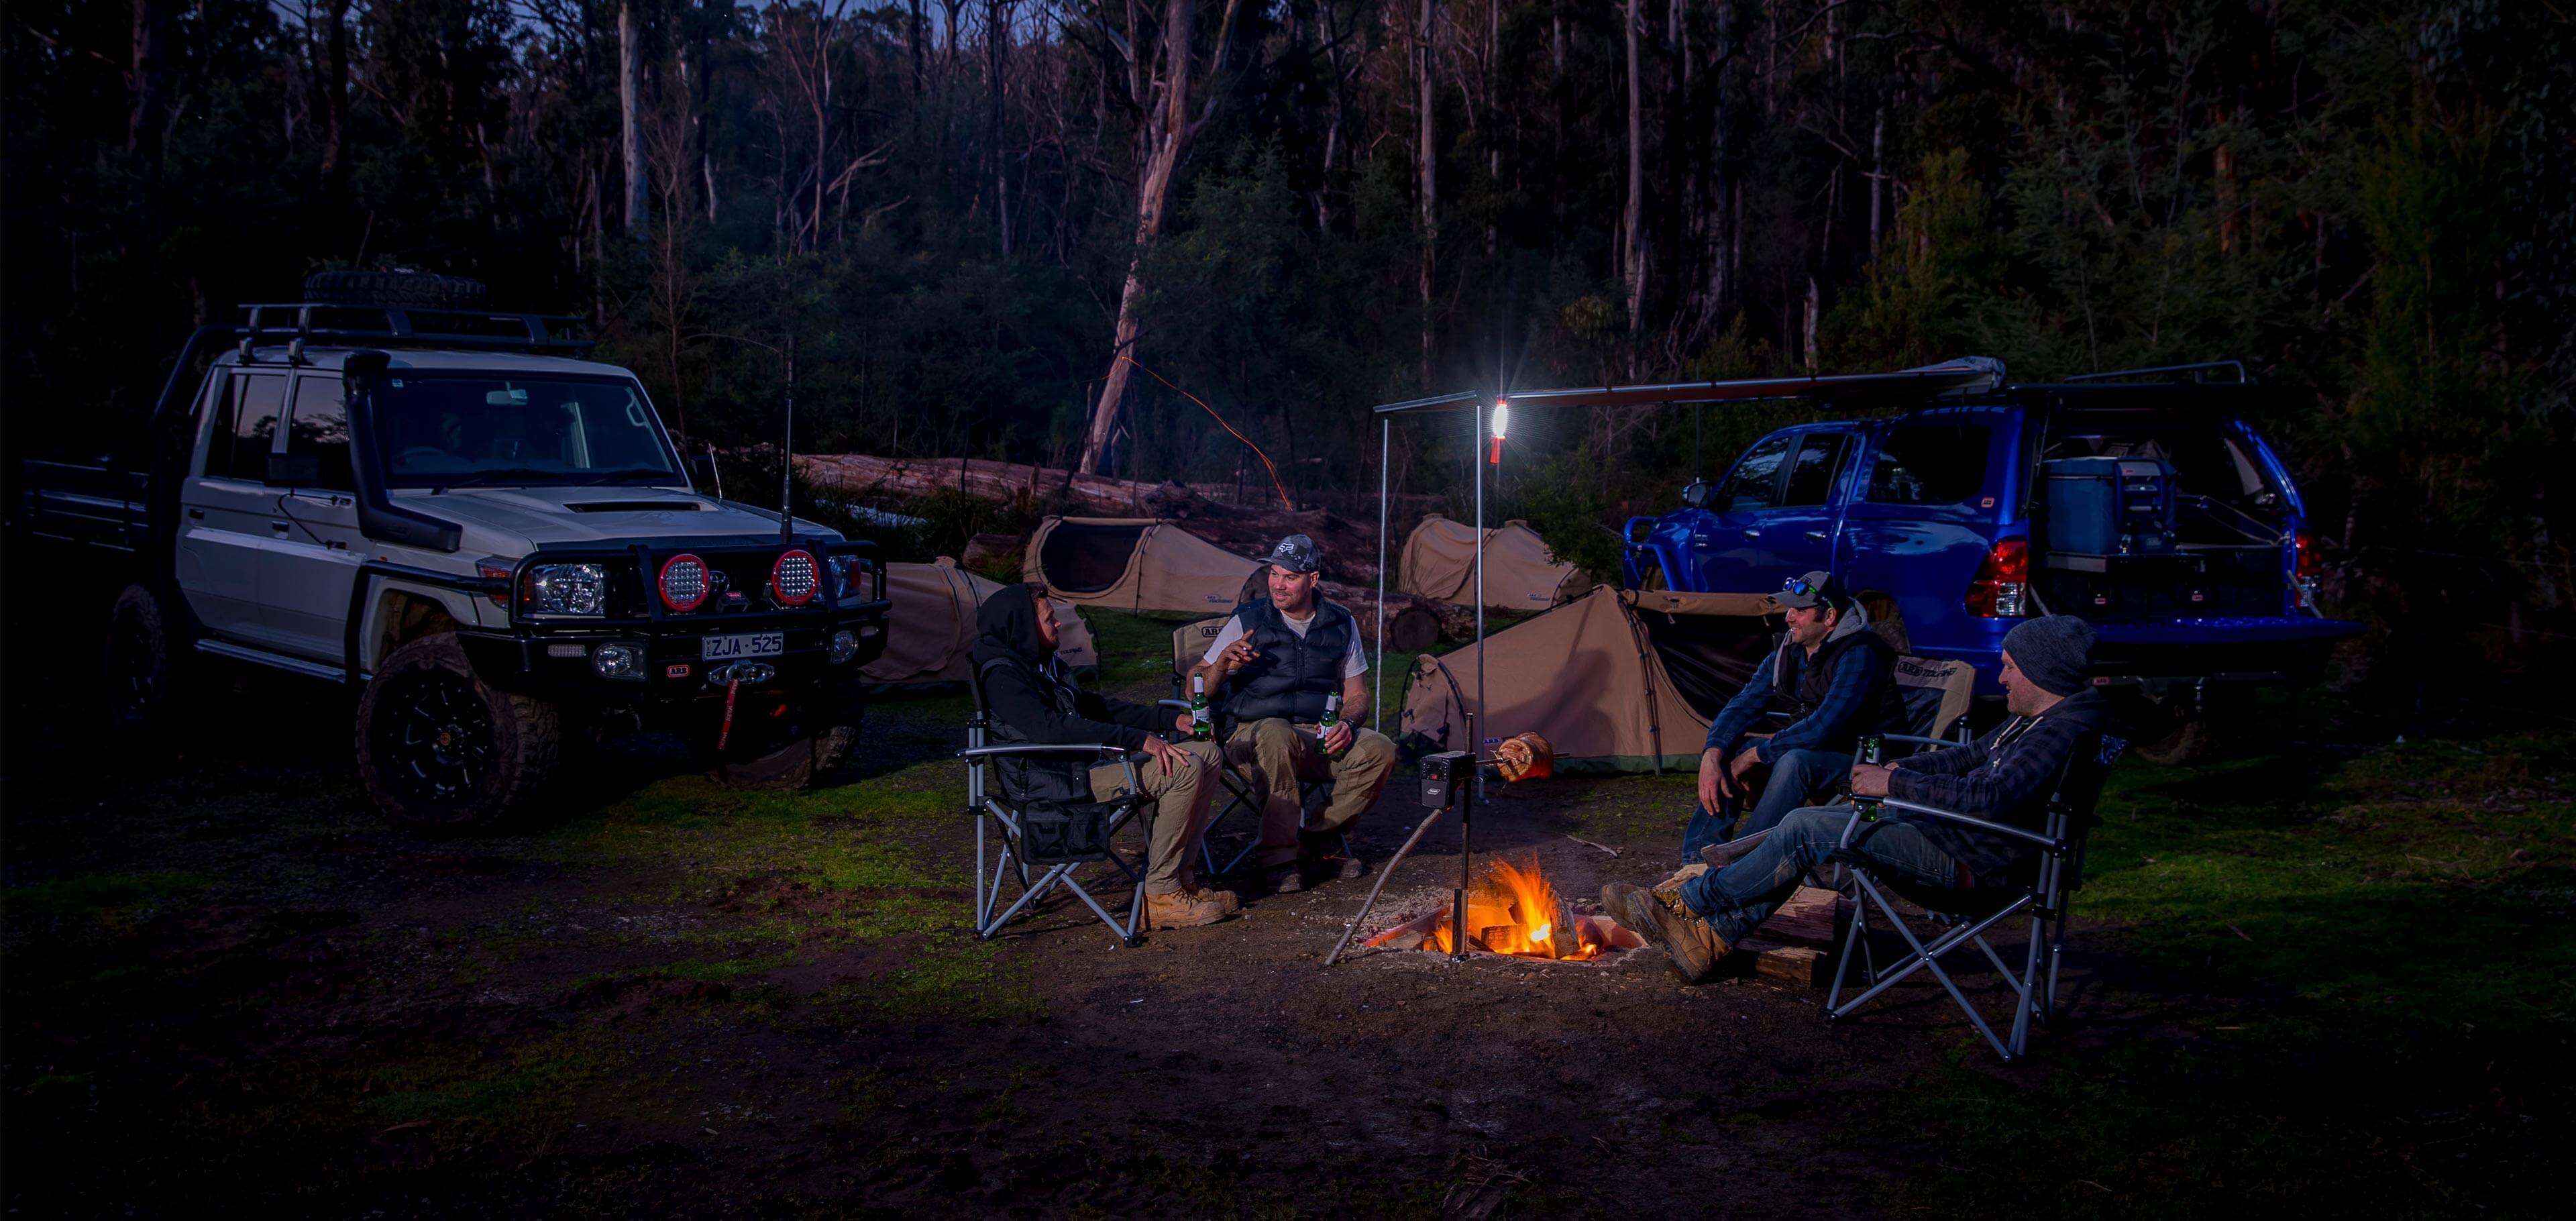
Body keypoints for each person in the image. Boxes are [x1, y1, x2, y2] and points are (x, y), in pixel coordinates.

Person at [1607, 615, 2107, 984]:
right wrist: (1902, 769)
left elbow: (1991, 796)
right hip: (1955, 839)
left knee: (1807, 828)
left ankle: (1688, 902)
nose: (2002, 679)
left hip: (1973, 867)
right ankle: (1708, 939)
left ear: (2043, 673)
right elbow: (1968, 756)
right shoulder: (2035, 720)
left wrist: (1893, 786)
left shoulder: (2061, 733)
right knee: (1812, 820)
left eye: (2011, 668)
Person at [971, 584, 1239, 928]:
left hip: (1078, 767)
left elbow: (1093, 706)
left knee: (1208, 753)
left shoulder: (1041, 663)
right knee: (1183, 769)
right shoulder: (1003, 674)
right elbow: (1049, 729)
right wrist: (1138, 740)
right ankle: (1160, 895)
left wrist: (1168, 720)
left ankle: (1182, 880)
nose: (1058, 624)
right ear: (1023, 625)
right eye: (1049, 619)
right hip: (1050, 779)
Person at [1186, 534, 1397, 894]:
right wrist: (1221, 664)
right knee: (1275, 731)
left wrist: (1347, 723)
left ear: (1312, 579)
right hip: (1251, 735)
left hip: (1314, 735)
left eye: (1289, 577)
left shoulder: (1340, 623)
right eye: (1274, 574)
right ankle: (1277, 859)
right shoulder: (1248, 618)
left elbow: (1358, 694)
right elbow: (1195, 687)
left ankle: (1315, 842)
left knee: (1380, 749)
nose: (1277, 585)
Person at [1680, 571, 1907, 863]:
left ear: (1829, 617)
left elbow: (1823, 727)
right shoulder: (1790, 652)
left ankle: (1742, 863)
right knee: (1730, 749)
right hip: (1816, 752)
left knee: (1793, 761)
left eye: (1800, 611)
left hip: (1867, 762)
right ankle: (1696, 863)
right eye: (1789, 609)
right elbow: (1742, 705)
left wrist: (1755, 756)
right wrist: (1712, 753)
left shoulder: (1860, 654)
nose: (1789, 617)